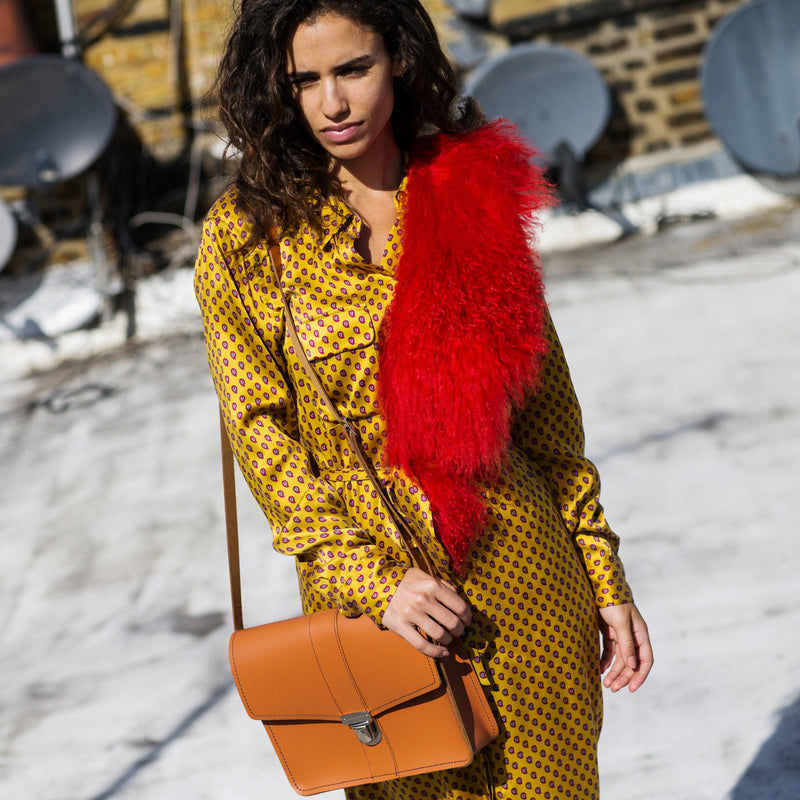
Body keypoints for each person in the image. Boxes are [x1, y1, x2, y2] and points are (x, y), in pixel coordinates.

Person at [195, 1, 654, 797]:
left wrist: (604, 579)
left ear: (398, 59)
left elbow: (546, 420)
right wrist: (378, 584)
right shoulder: (247, 235)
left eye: (352, 69)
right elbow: (260, 435)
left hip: (526, 588)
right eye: (304, 80)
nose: (332, 104)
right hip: (378, 617)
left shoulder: (471, 190)